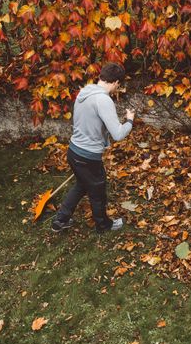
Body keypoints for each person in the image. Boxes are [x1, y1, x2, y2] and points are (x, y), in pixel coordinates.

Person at [51, 62, 134, 233]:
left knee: (81, 185)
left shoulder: (85, 91)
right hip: (88, 157)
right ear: (116, 82)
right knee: (98, 194)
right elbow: (118, 134)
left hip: (73, 151)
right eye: (118, 85)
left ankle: (60, 220)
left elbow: (92, 120)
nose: (117, 89)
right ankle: (103, 225)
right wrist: (130, 121)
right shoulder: (103, 100)